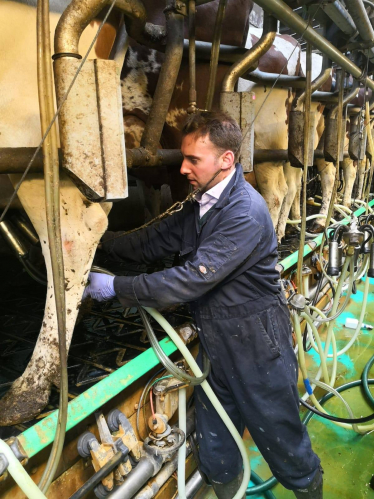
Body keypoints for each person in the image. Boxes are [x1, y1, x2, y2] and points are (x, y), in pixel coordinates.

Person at [84, 111, 323, 499]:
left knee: (283, 444)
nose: (182, 168)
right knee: (216, 451)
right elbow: (152, 240)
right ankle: (228, 486)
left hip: (257, 345)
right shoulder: (201, 204)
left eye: (194, 159)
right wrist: (96, 242)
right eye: (184, 157)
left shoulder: (243, 211)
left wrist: (115, 287)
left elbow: (189, 278)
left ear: (225, 160)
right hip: (217, 344)